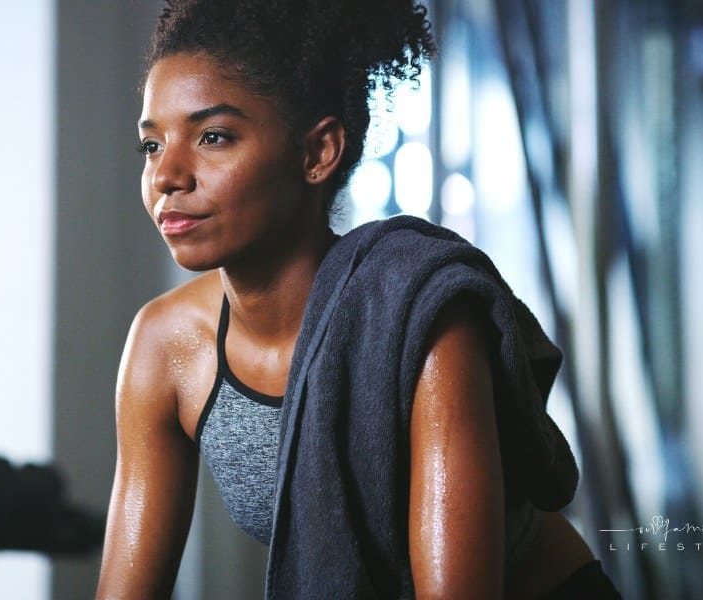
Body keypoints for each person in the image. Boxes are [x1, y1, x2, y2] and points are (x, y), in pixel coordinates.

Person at [96, 0, 621, 598]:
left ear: (318, 152)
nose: (167, 175)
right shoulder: (164, 346)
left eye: (213, 137)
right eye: (152, 145)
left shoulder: (418, 318)